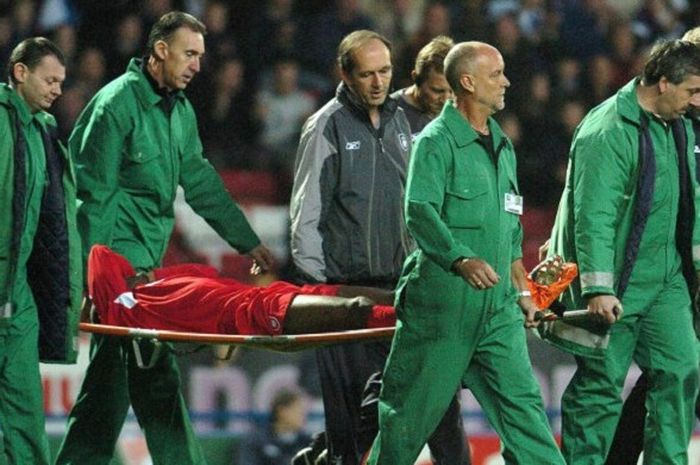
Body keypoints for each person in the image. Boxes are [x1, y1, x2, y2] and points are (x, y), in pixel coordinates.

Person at [54, 12, 275, 465]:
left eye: (200, 56)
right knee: (156, 380)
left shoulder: (181, 112)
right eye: (189, 54)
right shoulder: (115, 105)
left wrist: (245, 239)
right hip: (119, 272)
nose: (197, 65)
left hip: (144, 269)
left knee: (107, 392)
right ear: (159, 51)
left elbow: (200, 182)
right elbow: (90, 200)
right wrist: (90, 282)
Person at [365, 41, 566, 465]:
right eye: (497, 74)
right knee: (405, 425)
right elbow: (418, 210)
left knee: (526, 415)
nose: (506, 81)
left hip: (497, 311)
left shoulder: (503, 145)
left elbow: (510, 228)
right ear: (469, 82)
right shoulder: (436, 142)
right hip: (443, 307)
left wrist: (524, 292)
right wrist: (459, 258)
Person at [545, 39, 700, 465]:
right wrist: (597, 288)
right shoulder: (607, 130)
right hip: (617, 279)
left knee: (681, 371)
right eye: (693, 91)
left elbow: (692, 202)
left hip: (665, 279)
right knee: (600, 387)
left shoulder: (677, 125)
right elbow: (592, 216)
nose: (697, 103)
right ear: (664, 83)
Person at [289, 29, 412, 465]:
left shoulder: (401, 123)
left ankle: (319, 460)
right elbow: (306, 213)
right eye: (367, 74)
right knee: (345, 417)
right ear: (345, 74)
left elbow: (410, 205)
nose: (379, 82)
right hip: (344, 293)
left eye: (385, 71)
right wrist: (322, 291)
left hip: (396, 288)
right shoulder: (325, 125)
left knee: (398, 404)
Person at [604, 28, 700, 465]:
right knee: (667, 378)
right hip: (673, 273)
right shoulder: (668, 124)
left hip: (678, 276)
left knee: (672, 377)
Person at [0, 36, 80, 465]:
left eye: (61, 82)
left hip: (20, 299)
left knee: (27, 416)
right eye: (49, 80)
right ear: (20, 73)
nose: (57, 90)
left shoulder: (44, 132)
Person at [85, 245, 395, 335]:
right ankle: (411, 318)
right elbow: (99, 254)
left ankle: (412, 300)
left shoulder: (156, 286)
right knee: (354, 308)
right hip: (248, 315)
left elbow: (204, 271)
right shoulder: (123, 312)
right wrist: (135, 280)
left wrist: (148, 275)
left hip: (260, 294)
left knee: (339, 292)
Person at [390, 35, 454, 140]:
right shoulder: (388, 113)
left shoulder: (460, 111)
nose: (446, 100)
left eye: (452, 91)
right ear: (416, 78)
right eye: (437, 91)